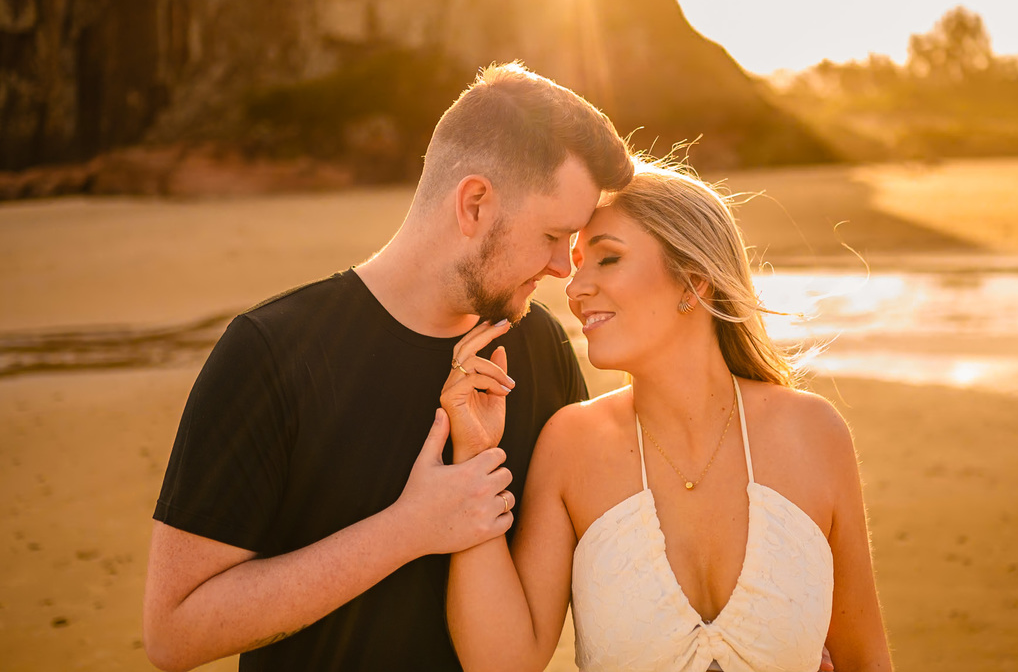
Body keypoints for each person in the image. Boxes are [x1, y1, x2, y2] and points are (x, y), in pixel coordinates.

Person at [141, 62, 634, 671]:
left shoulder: (543, 351)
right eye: (553, 236)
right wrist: (408, 529)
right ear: (475, 203)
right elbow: (174, 632)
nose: (564, 268)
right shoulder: (267, 352)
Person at [443, 161, 892, 671]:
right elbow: (500, 662)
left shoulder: (813, 435)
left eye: (607, 259)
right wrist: (472, 460)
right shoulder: (572, 445)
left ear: (694, 281)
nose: (574, 287)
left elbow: (865, 660)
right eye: (577, 262)